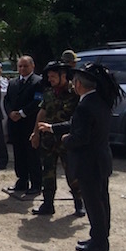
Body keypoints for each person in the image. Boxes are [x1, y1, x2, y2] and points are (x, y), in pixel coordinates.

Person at [41, 63, 123, 251]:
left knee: (94, 203)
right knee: (101, 200)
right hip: (101, 159)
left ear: (79, 84)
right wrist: (52, 128)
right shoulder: (100, 100)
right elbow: (76, 124)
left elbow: (80, 137)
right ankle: (101, 237)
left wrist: (65, 140)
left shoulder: (85, 106)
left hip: (89, 163)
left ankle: (99, 242)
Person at [31, 61, 82, 216]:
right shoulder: (49, 93)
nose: (50, 79)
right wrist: (35, 133)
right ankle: (47, 204)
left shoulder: (75, 93)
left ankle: (79, 203)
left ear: (63, 75)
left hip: (67, 139)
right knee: (48, 172)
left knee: (72, 172)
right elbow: (42, 112)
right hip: (48, 140)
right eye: (49, 77)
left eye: (53, 76)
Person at [4, 55, 43, 197]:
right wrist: (10, 113)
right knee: (18, 153)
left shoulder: (38, 82)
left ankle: (36, 183)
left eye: (25, 66)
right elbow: (7, 100)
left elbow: (38, 101)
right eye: (20, 66)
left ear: (32, 66)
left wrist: (22, 113)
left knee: (32, 154)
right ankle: (22, 180)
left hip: (30, 123)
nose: (22, 69)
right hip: (15, 125)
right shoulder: (13, 82)